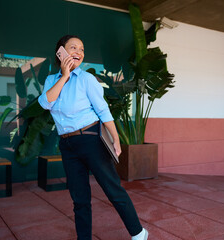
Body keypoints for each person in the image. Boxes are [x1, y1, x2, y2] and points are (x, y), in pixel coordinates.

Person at [38, 35, 149, 240]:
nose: (79, 52)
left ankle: (138, 232)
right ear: (60, 52)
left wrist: (115, 138)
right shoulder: (51, 80)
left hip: (91, 139)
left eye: (81, 49)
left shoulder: (87, 79)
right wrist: (64, 76)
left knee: (112, 189)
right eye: (73, 48)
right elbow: (46, 103)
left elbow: (103, 110)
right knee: (79, 199)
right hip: (67, 144)